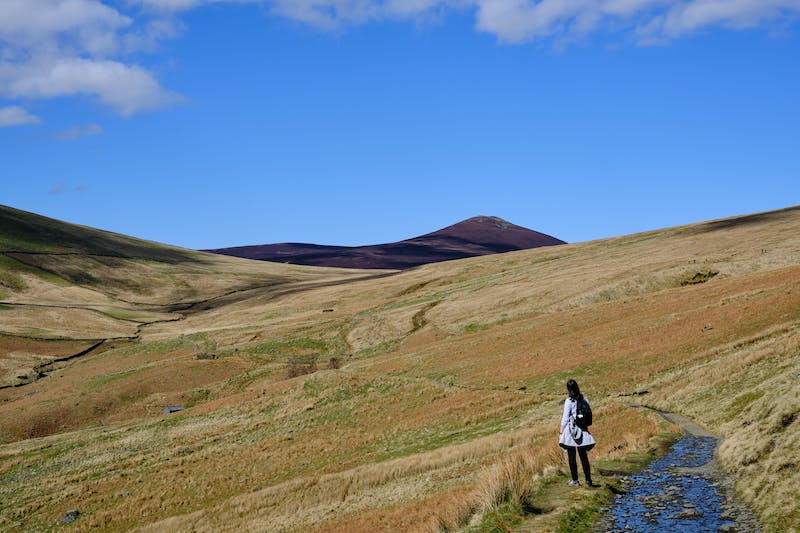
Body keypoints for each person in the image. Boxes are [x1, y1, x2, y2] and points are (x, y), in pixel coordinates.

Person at [559, 379, 596, 487]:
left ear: (568, 389)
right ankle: (588, 480)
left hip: (571, 430)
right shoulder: (584, 399)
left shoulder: (569, 401)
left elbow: (565, 418)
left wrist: (560, 433)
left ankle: (575, 480)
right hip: (582, 429)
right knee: (583, 456)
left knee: (572, 456)